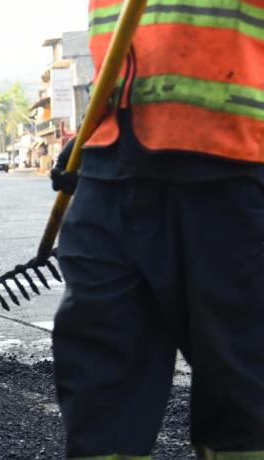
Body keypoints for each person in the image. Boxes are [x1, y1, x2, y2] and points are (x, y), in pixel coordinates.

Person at [51, 2, 264, 458]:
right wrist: (89, 134)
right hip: (110, 161)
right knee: (100, 379)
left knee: (241, 383)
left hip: (232, 165)